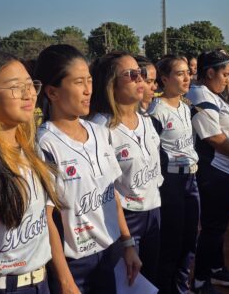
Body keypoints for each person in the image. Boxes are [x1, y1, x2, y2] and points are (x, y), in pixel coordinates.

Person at [34, 44, 141, 294]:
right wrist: (65, 280)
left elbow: (111, 193)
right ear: (52, 92)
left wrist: (127, 243)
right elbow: (47, 219)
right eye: (79, 82)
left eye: (90, 81)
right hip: (75, 264)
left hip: (110, 251)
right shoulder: (44, 143)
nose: (87, 90)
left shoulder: (99, 132)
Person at [0, 50, 60, 293]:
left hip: (40, 282)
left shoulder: (32, 151)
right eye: (16, 87)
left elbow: (46, 222)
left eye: (31, 84)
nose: (29, 94)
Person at [89, 51, 163, 286]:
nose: (140, 79)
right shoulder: (101, 127)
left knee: (149, 280)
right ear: (111, 83)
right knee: (128, 283)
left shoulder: (147, 121)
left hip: (153, 210)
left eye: (141, 73)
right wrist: (127, 239)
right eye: (131, 75)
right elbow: (105, 190)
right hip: (126, 220)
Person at [186, 50, 229, 294]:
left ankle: (215, 267)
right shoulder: (198, 94)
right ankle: (201, 280)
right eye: (224, 74)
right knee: (212, 228)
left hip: (227, 171)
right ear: (210, 72)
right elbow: (212, 136)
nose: (228, 79)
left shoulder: (213, 94)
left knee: (219, 227)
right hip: (214, 173)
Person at [150, 54, 199, 294]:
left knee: (190, 240)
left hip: (191, 179)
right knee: (172, 241)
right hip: (171, 182)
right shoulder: (155, 111)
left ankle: (181, 287)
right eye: (180, 73)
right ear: (165, 79)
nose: (187, 77)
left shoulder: (185, 106)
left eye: (187, 72)